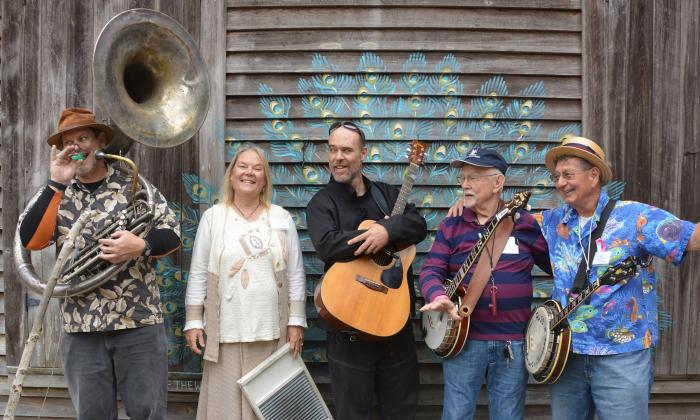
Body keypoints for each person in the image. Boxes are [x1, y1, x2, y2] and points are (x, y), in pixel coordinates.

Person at [18, 107, 181, 419]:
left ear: (99, 142)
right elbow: (31, 240)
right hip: (81, 327)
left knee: (149, 413)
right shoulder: (55, 194)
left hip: (138, 321)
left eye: (83, 138)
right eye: (69, 142)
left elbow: (171, 233)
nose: (77, 146)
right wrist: (57, 182)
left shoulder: (133, 185)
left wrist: (141, 246)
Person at [537, 136, 700, 420]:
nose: (560, 183)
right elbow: (502, 222)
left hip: (622, 357)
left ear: (593, 175)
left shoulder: (635, 217)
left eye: (568, 175)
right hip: (566, 356)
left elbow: (690, 238)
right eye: (557, 176)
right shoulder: (551, 222)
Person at [306, 121, 427, 419]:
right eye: (333, 150)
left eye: (347, 150)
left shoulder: (386, 194)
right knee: (352, 413)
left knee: (401, 411)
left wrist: (386, 230)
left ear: (364, 153)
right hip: (348, 327)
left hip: (394, 324)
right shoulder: (321, 203)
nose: (338, 157)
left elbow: (418, 225)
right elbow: (326, 245)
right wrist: (369, 237)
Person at [419, 148, 551, 420]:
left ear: (497, 183)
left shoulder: (524, 223)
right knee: (456, 415)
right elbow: (431, 269)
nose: (465, 184)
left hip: (512, 344)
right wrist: (437, 295)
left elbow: (556, 266)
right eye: (463, 178)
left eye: (474, 178)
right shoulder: (452, 224)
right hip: (463, 339)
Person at [184, 144, 306, 420]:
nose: (249, 172)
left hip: (271, 334)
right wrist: (193, 321)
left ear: (264, 179)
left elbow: (296, 273)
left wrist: (296, 322)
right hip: (226, 333)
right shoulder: (213, 217)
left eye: (257, 168)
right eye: (242, 166)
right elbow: (199, 271)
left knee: (269, 410)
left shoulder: (281, 218)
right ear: (230, 175)